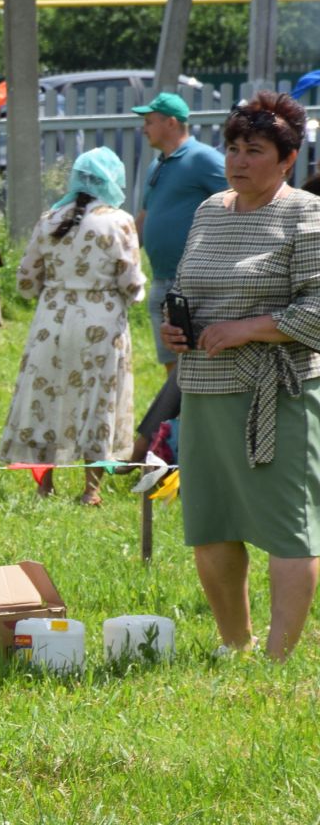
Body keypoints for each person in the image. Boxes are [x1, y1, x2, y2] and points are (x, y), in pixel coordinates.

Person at [161, 91, 320, 661]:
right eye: (232, 147)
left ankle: (278, 659)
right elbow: (185, 288)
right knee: (211, 524)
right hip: (203, 390)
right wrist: (173, 327)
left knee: (288, 528)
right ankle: (236, 646)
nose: (238, 160)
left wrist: (249, 327)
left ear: (286, 160)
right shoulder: (210, 210)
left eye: (255, 150)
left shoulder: (306, 213)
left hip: (277, 392)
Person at [0, 148, 145, 504]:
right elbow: (131, 283)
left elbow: (27, 282)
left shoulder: (49, 219)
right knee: (98, 400)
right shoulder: (119, 221)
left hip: (53, 321)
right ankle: (90, 489)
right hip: (101, 323)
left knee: (47, 397)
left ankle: (44, 486)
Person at [131, 92, 228, 456]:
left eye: (150, 120)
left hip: (188, 285)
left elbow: (238, 199)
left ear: (171, 122)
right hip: (161, 281)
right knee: (174, 376)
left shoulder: (203, 158)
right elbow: (144, 219)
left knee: (187, 378)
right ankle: (170, 446)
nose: (144, 128)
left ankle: (169, 451)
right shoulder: (162, 165)